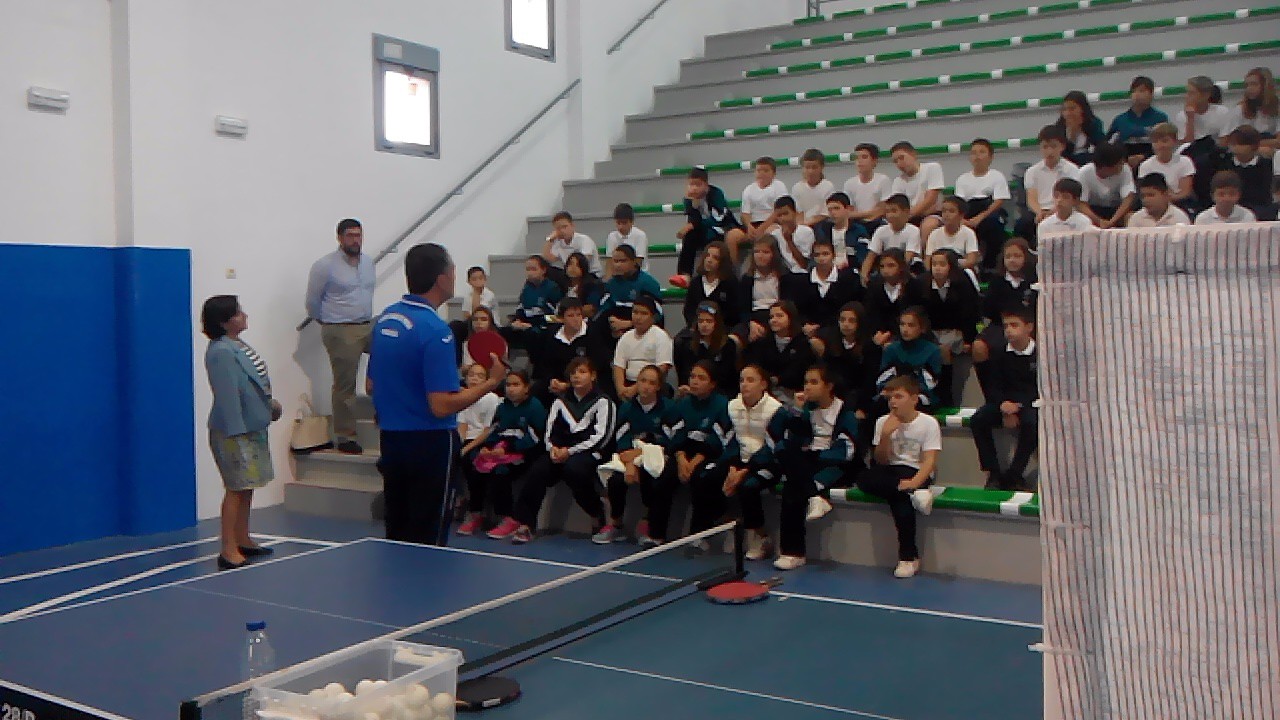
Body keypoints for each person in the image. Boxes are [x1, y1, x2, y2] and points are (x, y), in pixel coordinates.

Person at [369, 243, 509, 546]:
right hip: (429, 444)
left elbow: (371, 385)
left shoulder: (385, 320)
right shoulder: (436, 330)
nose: (455, 277)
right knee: (428, 534)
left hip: (391, 440)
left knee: (398, 531)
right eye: (453, 271)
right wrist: (490, 383)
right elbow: (441, 406)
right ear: (442, 279)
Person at [202, 296, 283, 570]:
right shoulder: (221, 352)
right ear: (224, 322)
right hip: (235, 431)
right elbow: (228, 396)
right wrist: (236, 433)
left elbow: (253, 385)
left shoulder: (237, 345)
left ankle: (243, 538)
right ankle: (228, 549)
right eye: (237, 313)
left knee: (247, 486)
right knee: (236, 488)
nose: (244, 315)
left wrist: (268, 407)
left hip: (252, 426)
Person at [509, 358, 616, 544]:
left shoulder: (604, 402)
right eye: (573, 373)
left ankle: (596, 513)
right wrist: (553, 449)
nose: (576, 376)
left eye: (582, 372)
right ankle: (526, 524)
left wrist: (571, 451)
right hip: (559, 452)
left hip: (589, 452)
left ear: (593, 376)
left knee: (574, 470)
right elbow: (549, 431)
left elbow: (602, 436)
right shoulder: (560, 401)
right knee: (538, 470)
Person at [773, 364, 862, 571]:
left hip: (837, 465)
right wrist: (796, 411)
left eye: (814, 382)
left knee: (793, 487)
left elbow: (847, 452)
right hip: (808, 463)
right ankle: (814, 498)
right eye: (805, 382)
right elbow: (788, 437)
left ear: (829, 386)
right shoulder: (807, 409)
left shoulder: (845, 413)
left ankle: (793, 552)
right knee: (784, 457)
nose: (807, 387)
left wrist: (816, 455)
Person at [856, 375, 941, 579]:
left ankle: (908, 558)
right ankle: (913, 494)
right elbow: (881, 460)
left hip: (915, 470)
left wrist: (914, 482)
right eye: (890, 398)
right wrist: (885, 435)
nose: (893, 402)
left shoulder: (928, 423)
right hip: (891, 471)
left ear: (914, 399)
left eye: (899, 396)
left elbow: (929, 461)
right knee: (863, 479)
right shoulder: (883, 422)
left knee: (899, 500)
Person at [305, 218, 376, 454]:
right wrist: (329, 322)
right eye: (350, 235)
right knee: (345, 384)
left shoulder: (368, 262)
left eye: (358, 235)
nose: (355, 240)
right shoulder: (324, 266)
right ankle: (346, 435)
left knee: (392, 359)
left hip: (367, 324)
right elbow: (313, 302)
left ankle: (386, 416)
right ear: (339, 237)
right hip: (340, 328)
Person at [595, 365, 675, 547]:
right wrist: (631, 462)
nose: (646, 386)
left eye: (651, 383)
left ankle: (648, 522)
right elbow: (622, 438)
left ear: (658, 386)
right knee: (616, 480)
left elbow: (670, 440)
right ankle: (616, 524)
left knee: (654, 477)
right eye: (642, 381)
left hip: (656, 457)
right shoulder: (626, 408)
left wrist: (642, 453)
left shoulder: (668, 408)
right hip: (628, 456)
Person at [722, 365, 790, 561]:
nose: (745, 384)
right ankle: (730, 527)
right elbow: (729, 439)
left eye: (750, 380)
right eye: (742, 380)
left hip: (769, 463)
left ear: (763, 384)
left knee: (748, 487)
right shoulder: (732, 406)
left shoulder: (776, 411)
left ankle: (760, 537)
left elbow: (772, 447)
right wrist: (732, 468)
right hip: (739, 462)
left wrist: (744, 471)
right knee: (711, 476)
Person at [473, 371, 547, 540]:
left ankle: (510, 518)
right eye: (508, 385)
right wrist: (487, 447)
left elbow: (536, 438)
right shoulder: (502, 407)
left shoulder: (534, 407)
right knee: (475, 466)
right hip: (502, 451)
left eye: (516, 385)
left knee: (501, 471)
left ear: (526, 388)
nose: (511, 389)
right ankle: (477, 513)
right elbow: (494, 430)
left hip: (528, 454)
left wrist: (511, 449)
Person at [663, 361, 735, 536]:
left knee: (702, 479)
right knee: (664, 477)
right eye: (692, 377)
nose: (695, 381)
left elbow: (719, 439)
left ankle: (698, 534)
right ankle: (657, 534)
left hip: (709, 455)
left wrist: (694, 462)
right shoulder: (683, 403)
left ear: (712, 384)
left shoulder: (722, 405)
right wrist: (681, 459)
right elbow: (675, 434)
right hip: (683, 452)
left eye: (701, 378)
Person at [970, 309, 1039, 492]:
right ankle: (992, 472)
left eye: (1014, 325)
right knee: (978, 419)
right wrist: (1003, 405)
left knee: (1032, 423)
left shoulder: (1040, 355)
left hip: (1031, 403)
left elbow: (1040, 388)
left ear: (1029, 327)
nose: (1009, 330)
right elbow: (992, 386)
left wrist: (1018, 407)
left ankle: (1014, 474)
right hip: (1005, 402)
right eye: (1006, 326)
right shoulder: (999, 353)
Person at [975, 238, 1038, 400]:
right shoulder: (997, 281)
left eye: (1017, 256)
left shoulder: (1034, 281)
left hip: (1030, 325)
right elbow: (988, 310)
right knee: (979, 347)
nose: (1012, 260)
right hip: (1000, 325)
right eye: (1008, 256)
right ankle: (991, 397)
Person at [672, 167, 746, 288]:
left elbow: (720, 217)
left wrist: (693, 225)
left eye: (698, 185)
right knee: (690, 236)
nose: (694, 188)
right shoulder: (688, 199)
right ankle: (684, 275)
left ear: (706, 185)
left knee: (713, 243)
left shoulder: (716, 193)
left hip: (721, 229)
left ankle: (724, 275)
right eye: (691, 184)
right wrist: (694, 206)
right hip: (704, 231)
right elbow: (693, 219)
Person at [924, 249, 980, 407]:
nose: (937, 268)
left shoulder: (963, 283)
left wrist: (968, 339)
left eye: (942, 264)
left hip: (956, 331)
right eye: (934, 264)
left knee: (945, 350)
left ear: (951, 266)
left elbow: (970, 313)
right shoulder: (922, 284)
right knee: (939, 350)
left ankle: (948, 396)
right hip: (930, 332)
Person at [454, 363, 502, 533]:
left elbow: (488, 431)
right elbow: (463, 425)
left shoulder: (491, 399)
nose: (474, 378)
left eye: (480, 376)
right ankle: (458, 497)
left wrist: (466, 449)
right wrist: (459, 445)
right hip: (468, 439)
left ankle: (476, 512)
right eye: (472, 375)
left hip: (485, 440)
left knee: (472, 462)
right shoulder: (464, 397)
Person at [532, 299, 608, 404]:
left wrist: (569, 385)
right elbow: (544, 364)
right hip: (557, 382)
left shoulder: (593, 333)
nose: (576, 319)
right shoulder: (551, 335)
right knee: (537, 390)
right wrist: (552, 380)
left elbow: (598, 364)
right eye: (571, 316)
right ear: (561, 318)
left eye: (579, 315)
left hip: (586, 381)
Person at [1016, 125, 1081, 246]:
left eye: (1053, 146)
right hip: (1040, 210)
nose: (1049, 151)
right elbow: (1031, 198)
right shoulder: (1032, 171)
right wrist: (1040, 212)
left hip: (1064, 210)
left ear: (1062, 146)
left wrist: (1052, 213)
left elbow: (1070, 197)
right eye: (1045, 147)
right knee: (1022, 224)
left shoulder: (1072, 170)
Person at [953, 138, 1012, 271]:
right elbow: (959, 203)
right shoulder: (962, 179)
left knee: (993, 225)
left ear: (990, 157)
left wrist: (980, 218)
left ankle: (991, 266)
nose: (977, 156)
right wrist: (963, 220)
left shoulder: (996, 176)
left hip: (990, 212)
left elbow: (999, 201)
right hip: (968, 212)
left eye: (981, 152)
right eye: (974, 153)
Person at [744, 300, 817, 405]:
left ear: (790, 318)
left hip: (795, 394)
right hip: (765, 394)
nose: (774, 320)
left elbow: (799, 371)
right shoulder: (762, 343)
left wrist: (779, 380)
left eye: (779, 316)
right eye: (771, 317)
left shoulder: (802, 343)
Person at [1177, 76, 1233, 206]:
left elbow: (1224, 141)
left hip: (1215, 152)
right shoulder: (1182, 116)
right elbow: (1187, 143)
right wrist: (1190, 119)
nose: (1187, 97)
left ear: (1206, 95)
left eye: (1192, 93)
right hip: (1193, 152)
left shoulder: (1222, 112)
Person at [791, 237, 863, 335]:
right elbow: (799, 309)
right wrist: (805, 325)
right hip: (809, 330)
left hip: (840, 330)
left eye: (825, 254)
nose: (821, 258)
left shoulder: (848, 279)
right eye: (817, 255)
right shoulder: (802, 282)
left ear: (833, 255)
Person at [876, 306, 943, 411]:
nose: (905, 329)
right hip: (893, 392)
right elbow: (882, 379)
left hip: (921, 395)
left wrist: (907, 391)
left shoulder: (932, 351)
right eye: (902, 324)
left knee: (911, 402)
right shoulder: (891, 349)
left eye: (911, 325)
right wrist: (892, 390)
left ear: (922, 328)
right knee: (880, 402)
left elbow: (931, 384)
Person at [612, 296, 673, 401]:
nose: (638, 317)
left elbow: (662, 367)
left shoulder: (661, 336)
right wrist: (621, 389)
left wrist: (636, 388)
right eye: (635, 312)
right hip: (628, 384)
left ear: (652, 317)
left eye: (644, 314)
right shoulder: (626, 337)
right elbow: (618, 366)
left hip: (651, 386)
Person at [674, 301, 739, 395]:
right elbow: (684, 374)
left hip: (720, 393)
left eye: (709, 321)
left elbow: (728, 378)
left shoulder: (728, 345)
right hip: (692, 392)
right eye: (701, 321)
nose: (704, 325)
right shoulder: (687, 345)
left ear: (716, 323)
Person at [864, 248, 927, 343]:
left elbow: (918, 314)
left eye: (891, 266)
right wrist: (877, 334)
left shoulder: (913, 286)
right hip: (881, 336)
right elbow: (871, 314)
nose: (885, 270)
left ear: (901, 267)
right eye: (882, 266)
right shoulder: (874, 286)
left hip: (909, 335)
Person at [1107, 75, 1170, 168]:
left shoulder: (1160, 118)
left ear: (1151, 94)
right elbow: (1108, 145)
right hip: (1124, 165)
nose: (1137, 94)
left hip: (1152, 163)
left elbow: (1165, 145)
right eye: (1134, 91)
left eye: (1142, 91)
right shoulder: (1119, 120)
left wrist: (1143, 157)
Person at [735, 235, 787, 345]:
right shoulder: (747, 279)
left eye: (765, 252)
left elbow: (788, 306)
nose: (760, 256)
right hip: (753, 317)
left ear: (774, 255)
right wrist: (750, 323)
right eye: (757, 252)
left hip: (776, 316)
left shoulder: (784, 277)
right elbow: (743, 309)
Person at [889, 141, 945, 242]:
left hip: (933, 214)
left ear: (913, 154)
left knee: (928, 226)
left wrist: (907, 215)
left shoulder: (932, 168)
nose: (899, 164)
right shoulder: (898, 181)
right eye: (895, 161)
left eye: (902, 158)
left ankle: (923, 252)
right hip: (909, 216)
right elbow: (898, 205)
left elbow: (931, 199)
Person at [505, 256, 563, 352]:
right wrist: (518, 321)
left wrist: (535, 323)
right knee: (505, 331)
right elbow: (521, 307)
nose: (530, 273)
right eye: (528, 269)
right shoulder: (527, 288)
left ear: (543, 270)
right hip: (526, 323)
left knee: (532, 335)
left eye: (533, 269)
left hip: (544, 324)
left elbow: (557, 317)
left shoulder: (553, 288)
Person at [680, 240, 740, 331]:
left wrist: (714, 325)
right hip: (697, 329)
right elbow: (689, 310)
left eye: (715, 258)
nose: (709, 260)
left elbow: (733, 312)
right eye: (707, 256)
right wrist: (697, 325)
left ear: (722, 262)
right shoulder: (695, 282)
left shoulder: (730, 282)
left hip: (723, 329)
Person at [861, 194, 923, 281]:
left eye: (894, 211)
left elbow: (908, 258)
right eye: (887, 212)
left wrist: (895, 273)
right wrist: (864, 274)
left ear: (906, 212)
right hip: (886, 267)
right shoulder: (881, 230)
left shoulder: (913, 231)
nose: (890, 215)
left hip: (907, 269)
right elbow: (871, 256)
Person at [1077, 142, 1137, 229]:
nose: (1122, 165)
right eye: (1119, 163)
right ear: (1105, 167)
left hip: (1116, 210)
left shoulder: (1125, 169)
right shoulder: (1084, 173)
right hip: (1093, 211)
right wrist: (1099, 221)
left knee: (1131, 217)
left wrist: (1112, 221)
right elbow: (1081, 204)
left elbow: (1128, 197)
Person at [1223, 125, 1277, 220]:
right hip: (1231, 206)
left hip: (1259, 207)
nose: (1235, 147)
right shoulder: (1225, 163)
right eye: (1233, 143)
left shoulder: (1266, 164)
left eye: (1240, 144)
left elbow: (1265, 193)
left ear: (1253, 146)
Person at [1138, 123, 1197, 208]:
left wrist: (1168, 199)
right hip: (1154, 205)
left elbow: (1185, 193)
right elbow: (1146, 193)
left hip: (1181, 204)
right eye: (1155, 141)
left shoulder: (1185, 162)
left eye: (1164, 141)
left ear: (1174, 141)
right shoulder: (1145, 166)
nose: (1160, 145)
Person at [1223, 68, 1278, 152]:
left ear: (1266, 86)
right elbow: (1226, 141)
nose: (1249, 89)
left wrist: (1250, 144)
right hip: (1245, 153)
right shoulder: (1239, 110)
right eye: (1247, 85)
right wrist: (1256, 147)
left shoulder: (1277, 109)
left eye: (1254, 84)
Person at [842, 142, 892, 237]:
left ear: (874, 161)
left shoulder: (883, 180)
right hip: (857, 223)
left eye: (864, 157)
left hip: (878, 222)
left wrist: (861, 215)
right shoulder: (849, 184)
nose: (859, 161)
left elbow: (881, 210)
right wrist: (867, 214)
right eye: (857, 158)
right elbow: (849, 212)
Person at [813, 192, 870, 273]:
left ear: (848, 209)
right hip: (828, 270)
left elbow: (863, 256)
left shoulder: (858, 230)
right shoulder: (823, 230)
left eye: (836, 208)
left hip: (852, 270)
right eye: (830, 209)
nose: (833, 212)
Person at [542, 211, 602, 286]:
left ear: (572, 226)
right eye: (558, 228)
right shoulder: (558, 242)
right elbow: (548, 259)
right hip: (570, 274)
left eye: (565, 227)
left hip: (590, 274)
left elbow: (583, 263)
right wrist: (550, 240)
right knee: (547, 271)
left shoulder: (584, 240)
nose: (562, 231)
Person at [924, 197, 980, 271]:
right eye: (944, 211)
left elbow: (971, 260)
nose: (946, 215)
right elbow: (928, 260)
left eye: (951, 211)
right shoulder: (934, 234)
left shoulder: (968, 233)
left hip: (960, 270)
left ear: (961, 215)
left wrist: (951, 268)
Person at [741, 156, 788, 241]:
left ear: (774, 173)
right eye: (758, 171)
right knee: (733, 236)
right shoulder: (748, 189)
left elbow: (779, 211)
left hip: (773, 223)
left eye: (766, 171)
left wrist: (762, 228)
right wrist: (749, 226)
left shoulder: (779, 186)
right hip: (754, 224)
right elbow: (745, 213)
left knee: (774, 233)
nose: (761, 174)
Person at [1055, 90, 1106, 165]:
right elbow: (1061, 155)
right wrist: (1072, 137)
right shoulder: (1059, 127)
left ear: (1082, 109)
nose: (1068, 113)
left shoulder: (1094, 123)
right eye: (1065, 109)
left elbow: (1101, 147)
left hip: (1090, 163)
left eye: (1072, 109)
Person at [770, 195, 817, 275]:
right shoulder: (775, 234)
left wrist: (789, 240)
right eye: (779, 215)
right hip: (784, 274)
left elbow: (804, 264)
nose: (783, 218)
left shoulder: (806, 232)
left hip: (803, 273)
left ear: (795, 213)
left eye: (786, 214)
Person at [1128, 174, 1192, 227]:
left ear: (1165, 195)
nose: (1146, 200)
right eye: (1143, 196)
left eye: (1150, 195)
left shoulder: (1180, 218)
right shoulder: (1136, 219)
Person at [791, 148, 835, 226]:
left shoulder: (828, 186)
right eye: (807, 167)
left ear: (822, 167)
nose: (811, 171)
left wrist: (808, 223)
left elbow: (826, 214)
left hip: (823, 224)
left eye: (814, 167)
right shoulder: (797, 188)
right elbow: (798, 213)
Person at [604, 203, 649, 278]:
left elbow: (638, 262)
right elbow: (609, 262)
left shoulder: (640, 235)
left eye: (624, 223)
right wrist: (608, 280)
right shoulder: (611, 236)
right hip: (618, 276)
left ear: (632, 222)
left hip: (638, 276)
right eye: (618, 223)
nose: (620, 227)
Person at [562, 252, 605, 317]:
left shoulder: (592, 285)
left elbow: (590, 309)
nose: (573, 268)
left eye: (577, 265)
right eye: (570, 264)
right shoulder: (561, 284)